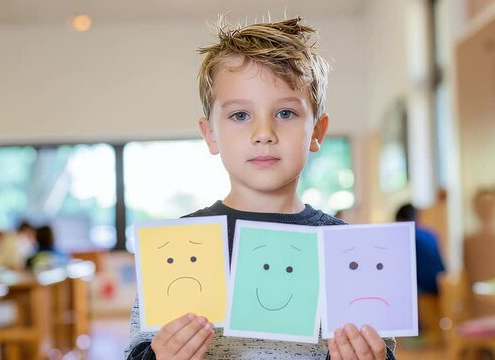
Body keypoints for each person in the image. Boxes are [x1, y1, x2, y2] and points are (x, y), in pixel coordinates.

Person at [125, 17, 396, 360]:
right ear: (210, 134)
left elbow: (380, 348)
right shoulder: (177, 244)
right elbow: (138, 350)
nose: (263, 132)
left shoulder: (348, 251)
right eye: (240, 115)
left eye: (285, 113)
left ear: (317, 132)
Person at [394, 203, 445, 294]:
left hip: (423, 288)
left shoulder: (408, 235)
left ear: (400, 220)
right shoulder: (430, 233)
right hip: (440, 284)